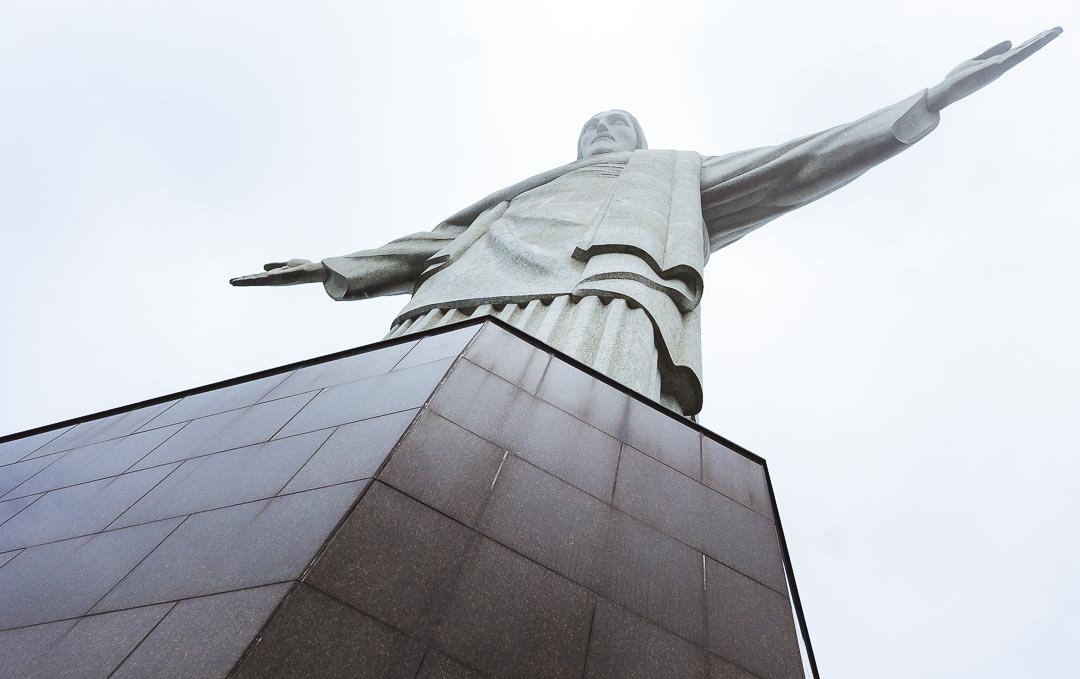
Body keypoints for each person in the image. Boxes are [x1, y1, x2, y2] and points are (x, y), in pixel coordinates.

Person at [232, 29, 1061, 416]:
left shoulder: (676, 176)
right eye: (593, 125)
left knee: (584, 436)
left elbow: (802, 162)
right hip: (461, 294)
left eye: (617, 124)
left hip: (601, 291)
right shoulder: (522, 189)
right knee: (387, 423)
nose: (602, 132)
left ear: (640, 141)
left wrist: (926, 101)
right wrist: (332, 265)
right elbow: (433, 244)